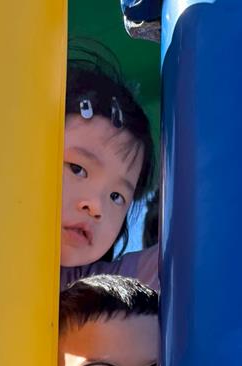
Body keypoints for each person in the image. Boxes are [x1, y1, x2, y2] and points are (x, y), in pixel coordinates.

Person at [60, 51, 159, 292]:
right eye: (77, 169)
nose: (96, 206)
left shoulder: (95, 293)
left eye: (116, 196)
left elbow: (190, 253)